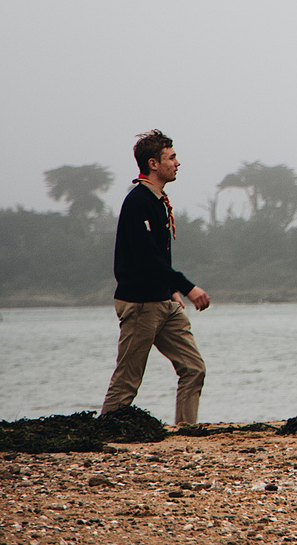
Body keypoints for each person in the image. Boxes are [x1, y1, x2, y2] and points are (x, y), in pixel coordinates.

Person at [101, 129, 209, 426]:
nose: (177, 163)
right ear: (153, 164)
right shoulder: (138, 202)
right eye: (171, 158)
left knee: (193, 368)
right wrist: (187, 287)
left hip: (164, 300)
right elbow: (147, 257)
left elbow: (159, 259)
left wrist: (171, 290)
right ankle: (105, 432)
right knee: (128, 380)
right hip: (140, 304)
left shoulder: (159, 201)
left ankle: (186, 431)